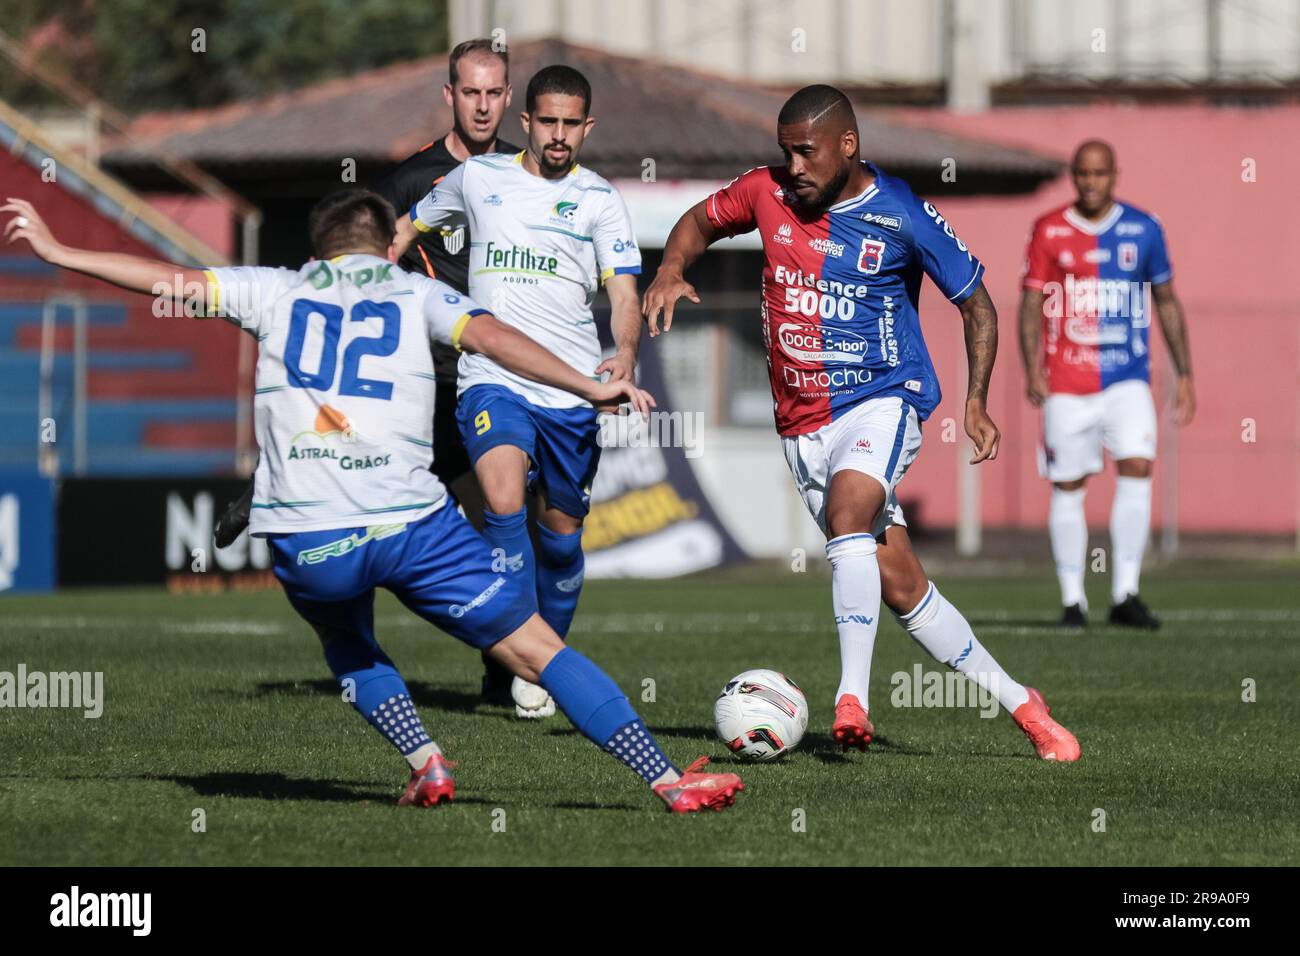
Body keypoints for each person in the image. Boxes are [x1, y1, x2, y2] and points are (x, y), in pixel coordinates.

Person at [3, 191, 743, 813]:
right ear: (384, 245)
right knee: (538, 652)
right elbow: (493, 339)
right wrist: (588, 384)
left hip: (310, 537)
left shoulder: (275, 288)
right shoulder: (416, 291)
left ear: (318, 249)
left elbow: (166, 280)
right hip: (411, 526)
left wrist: (61, 252)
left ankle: (427, 763)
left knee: (346, 639)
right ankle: (668, 780)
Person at [642, 85, 1080, 762]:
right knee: (901, 584)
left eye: (806, 151)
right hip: (800, 426)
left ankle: (853, 698)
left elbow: (979, 306)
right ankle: (1025, 704)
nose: (793, 166)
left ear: (848, 145)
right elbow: (699, 221)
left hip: (884, 397)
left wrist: (975, 402)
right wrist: (671, 268)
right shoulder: (765, 193)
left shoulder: (901, 211)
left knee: (850, 512)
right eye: (785, 151)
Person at [213, 36, 523, 705]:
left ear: (509, 98)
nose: (482, 104)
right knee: (414, 520)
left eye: (494, 92)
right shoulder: (408, 183)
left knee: (506, 522)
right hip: (421, 385)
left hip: (489, 374)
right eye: (470, 92)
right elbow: (343, 267)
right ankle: (479, 676)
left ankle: (505, 677)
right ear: (450, 96)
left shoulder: (522, 180)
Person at [393, 65, 644, 719]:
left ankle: (546, 651)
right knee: (502, 503)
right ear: (525, 122)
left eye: (571, 124)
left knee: (559, 537)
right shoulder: (477, 179)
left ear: (586, 127)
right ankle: (516, 661)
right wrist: (346, 270)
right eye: (547, 122)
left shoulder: (599, 199)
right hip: (492, 378)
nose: (559, 136)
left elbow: (624, 294)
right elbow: (406, 229)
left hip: (572, 392)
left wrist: (624, 356)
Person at [1017, 139, 1194, 631]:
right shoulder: (1048, 229)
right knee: (1068, 486)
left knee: (1137, 468)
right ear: (1074, 176)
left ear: (1115, 174)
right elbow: (1031, 303)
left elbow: (1167, 300)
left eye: (1100, 174)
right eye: (1083, 174)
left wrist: (1185, 373)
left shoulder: (1145, 227)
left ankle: (1125, 592)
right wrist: (1032, 366)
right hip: (1067, 382)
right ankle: (1074, 600)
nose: (1091, 183)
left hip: (1127, 379)